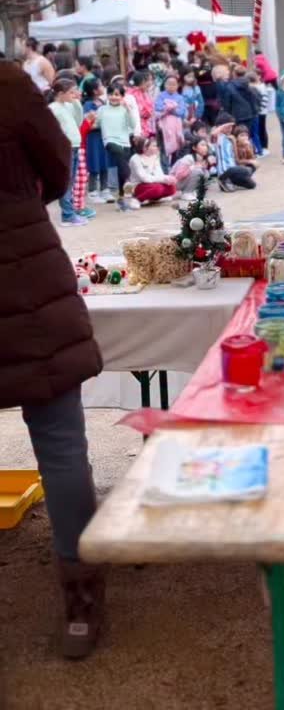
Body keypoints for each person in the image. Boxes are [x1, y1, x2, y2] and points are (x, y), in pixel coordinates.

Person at [0, 61, 104, 656]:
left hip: (25, 273)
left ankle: (82, 585)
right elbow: (58, 166)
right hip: (28, 272)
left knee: (61, 445)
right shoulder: (8, 84)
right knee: (62, 444)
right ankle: (80, 588)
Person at [48, 79, 87, 227]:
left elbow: (78, 121)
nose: (75, 94)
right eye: (71, 92)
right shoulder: (53, 108)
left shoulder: (68, 106)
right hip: (65, 148)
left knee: (71, 181)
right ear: (60, 94)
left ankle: (70, 213)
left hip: (76, 147)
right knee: (65, 181)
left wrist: (77, 104)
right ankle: (68, 215)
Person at [96, 83, 138, 211]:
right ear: (107, 95)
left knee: (121, 171)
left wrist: (129, 109)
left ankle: (122, 199)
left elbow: (133, 124)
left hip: (125, 141)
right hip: (109, 140)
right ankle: (129, 178)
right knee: (122, 164)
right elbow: (97, 124)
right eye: (111, 94)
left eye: (117, 94)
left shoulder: (125, 109)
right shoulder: (102, 109)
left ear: (122, 96)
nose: (114, 97)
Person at [82, 78, 113, 202]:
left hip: (104, 136)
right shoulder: (88, 104)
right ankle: (93, 191)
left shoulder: (103, 102)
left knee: (105, 162)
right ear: (95, 91)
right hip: (93, 138)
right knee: (94, 163)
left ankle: (105, 190)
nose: (103, 87)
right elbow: (90, 122)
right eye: (100, 85)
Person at [215, 114, 257, 191]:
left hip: (234, 169)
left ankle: (230, 182)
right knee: (245, 170)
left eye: (231, 127)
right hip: (225, 171)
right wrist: (223, 126)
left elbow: (237, 159)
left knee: (252, 184)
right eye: (227, 127)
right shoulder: (219, 138)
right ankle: (223, 180)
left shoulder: (230, 139)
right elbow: (213, 133)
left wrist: (248, 147)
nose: (230, 129)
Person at [129, 137, 177, 204]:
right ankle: (137, 200)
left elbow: (159, 173)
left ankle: (154, 198)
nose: (157, 148)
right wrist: (163, 179)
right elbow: (144, 178)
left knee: (172, 188)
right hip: (139, 185)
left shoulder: (154, 157)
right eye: (154, 146)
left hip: (154, 183)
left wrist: (167, 178)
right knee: (158, 189)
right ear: (145, 148)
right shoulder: (135, 158)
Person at [155, 75, 186, 167]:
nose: (171, 86)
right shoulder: (161, 96)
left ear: (177, 85)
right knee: (163, 147)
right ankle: (164, 168)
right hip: (163, 126)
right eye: (169, 84)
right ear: (165, 85)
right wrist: (168, 108)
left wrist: (171, 109)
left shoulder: (180, 97)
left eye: (174, 84)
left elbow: (182, 112)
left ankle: (174, 167)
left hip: (176, 126)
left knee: (176, 148)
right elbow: (158, 108)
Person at [129, 70, 156, 139]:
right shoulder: (133, 93)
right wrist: (148, 112)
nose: (149, 83)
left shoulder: (144, 93)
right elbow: (139, 111)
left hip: (146, 123)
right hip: (138, 124)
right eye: (146, 81)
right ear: (140, 82)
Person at [249, 70, 269, 154]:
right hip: (258, 112)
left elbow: (264, 99)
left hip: (261, 112)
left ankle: (264, 146)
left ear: (259, 76)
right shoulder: (256, 86)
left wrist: (260, 109)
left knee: (262, 129)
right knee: (259, 129)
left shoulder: (261, 86)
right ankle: (262, 146)